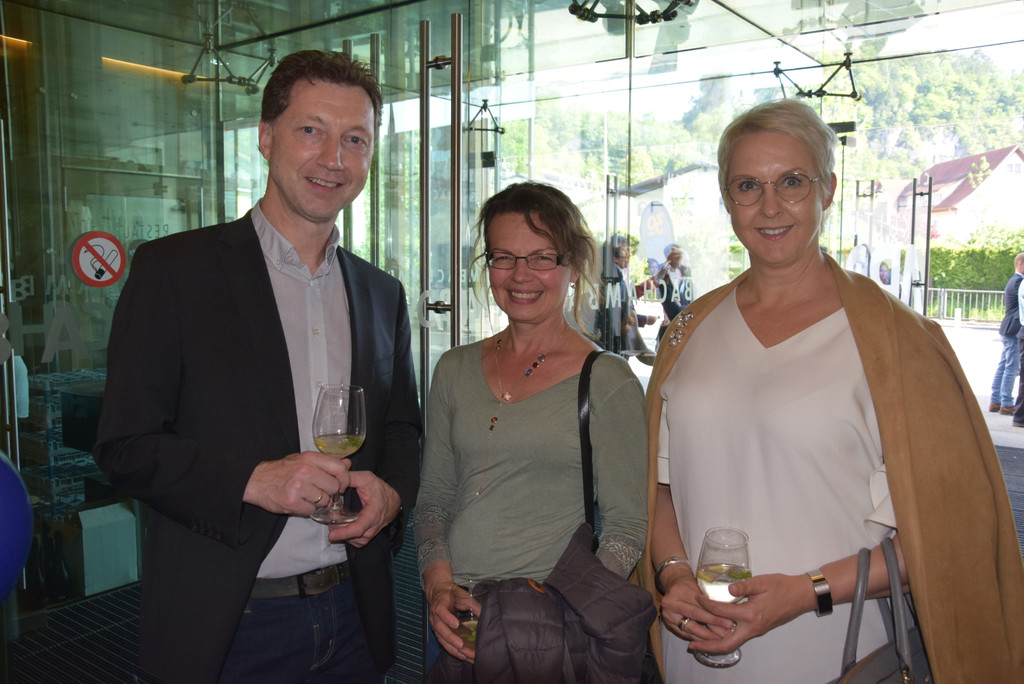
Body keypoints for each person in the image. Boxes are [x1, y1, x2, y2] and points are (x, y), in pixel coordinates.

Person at [641, 98, 1024, 682]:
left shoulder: (899, 341)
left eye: (793, 182)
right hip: (699, 642)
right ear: (727, 198)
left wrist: (806, 590)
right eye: (748, 185)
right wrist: (673, 572)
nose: (770, 205)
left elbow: (951, 529)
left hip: (837, 644)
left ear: (828, 190)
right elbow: (660, 484)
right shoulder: (689, 331)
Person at [92, 50, 421, 684]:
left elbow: (403, 429)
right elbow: (124, 445)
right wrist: (252, 480)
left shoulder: (383, 294)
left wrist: (392, 493)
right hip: (231, 625)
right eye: (311, 130)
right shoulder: (175, 272)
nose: (334, 158)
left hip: (356, 615)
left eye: (355, 139)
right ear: (266, 138)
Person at [414, 182, 649, 676]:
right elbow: (434, 498)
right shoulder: (453, 368)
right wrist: (438, 587)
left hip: (546, 628)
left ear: (573, 265)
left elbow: (626, 528)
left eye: (542, 257)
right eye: (504, 257)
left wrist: (563, 610)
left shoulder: (606, 379)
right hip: (455, 616)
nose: (520, 275)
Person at [990, 253, 1024, 414]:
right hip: (1014, 329)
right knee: (1011, 366)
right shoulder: (1019, 281)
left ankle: (996, 400)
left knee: (1004, 365)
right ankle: (1007, 403)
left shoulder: (1014, 280)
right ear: (1020, 264)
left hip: (1009, 327)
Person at [654, 244, 692, 346]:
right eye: (685, 263)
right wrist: (689, 309)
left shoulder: (687, 284)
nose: (687, 266)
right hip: (671, 336)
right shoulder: (666, 284)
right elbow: (675, 311)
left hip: (685, 334)